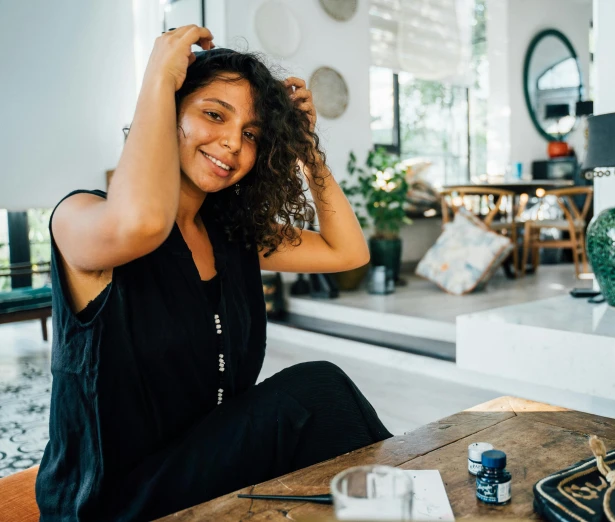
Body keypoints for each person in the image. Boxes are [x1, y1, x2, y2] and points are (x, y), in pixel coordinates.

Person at [35, 26, 392, 521]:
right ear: (169, 111)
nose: (231, 143)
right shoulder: (80, 219)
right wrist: (158, 79)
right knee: (317, 391)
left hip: (206, 473)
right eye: (213, 114)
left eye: (251, 133)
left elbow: (346, 251)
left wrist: (306, 150)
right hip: (111, 503)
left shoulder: (231, 234)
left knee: (326, 414)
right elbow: (141, 224)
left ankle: (412, 504)